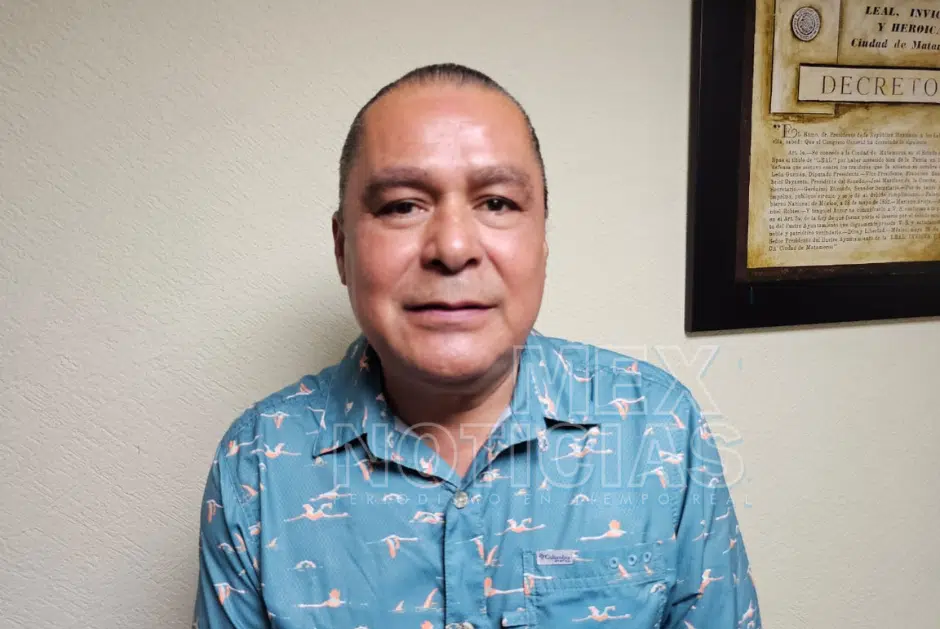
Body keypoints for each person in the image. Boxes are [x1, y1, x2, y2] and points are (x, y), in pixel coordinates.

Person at [192, 62, 761, 629]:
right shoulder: (257, 465)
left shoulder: (661, 428)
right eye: (402, 206)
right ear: (343, 249)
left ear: (542, 239)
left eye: (496, 203)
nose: (453, 247)